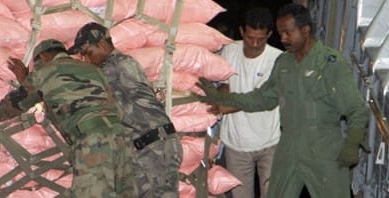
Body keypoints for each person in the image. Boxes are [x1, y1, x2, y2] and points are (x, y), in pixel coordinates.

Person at [197, 4, 369, 198]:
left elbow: (357, 109)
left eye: (288, 33)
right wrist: (220, 97)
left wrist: (352, 143)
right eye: (281, 34)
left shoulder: (330, 63)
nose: (283, 38)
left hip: (324, 148)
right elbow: (262, 98)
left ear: (305, 30)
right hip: (288, 145)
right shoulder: (284, 63)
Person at [0, 39, 138, 197]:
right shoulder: (93, 70)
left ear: (42, 57)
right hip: (122, 138)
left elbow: (14, 105)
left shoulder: (44, 72)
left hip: (92, 141)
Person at [66, 22, 182, 197]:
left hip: (153, 148)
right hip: (148, 146)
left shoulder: (116, 65)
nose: (86, 60)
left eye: (87, 53)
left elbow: (86, 89)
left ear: (103, 45)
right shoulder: (114, 65)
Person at [215, 8, 283, 198]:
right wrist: (219, 95)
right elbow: (223, 83)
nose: (254, 44)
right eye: (249, 37)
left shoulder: (278, 59)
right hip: (236, 145)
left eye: (260, 39)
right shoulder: (229, 50)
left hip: (269, 144)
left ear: (269, 34)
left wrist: (224, 106)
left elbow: (260, 99)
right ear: (242, 31)